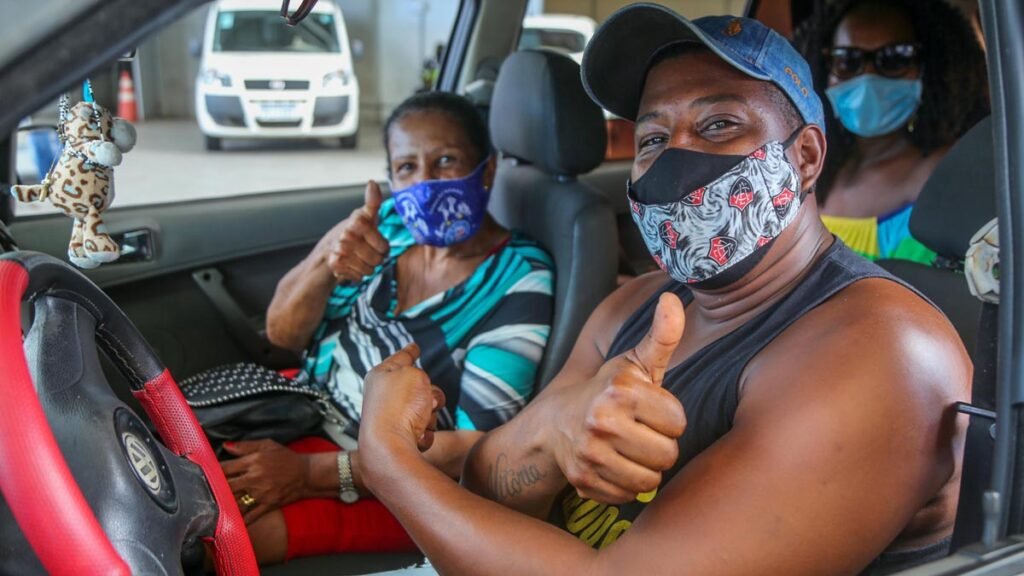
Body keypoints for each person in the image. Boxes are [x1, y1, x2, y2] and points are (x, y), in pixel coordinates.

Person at [352, 7, 971, 576]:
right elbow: (489, 483)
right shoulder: (635, 305)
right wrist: (552, 431)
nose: (678, 159)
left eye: (719, 124)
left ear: (805, 158)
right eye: (653, 139)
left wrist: (386, 462)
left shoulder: (880, 353)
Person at [216, 91, 555, 564]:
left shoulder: (517, 277)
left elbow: (477, 451)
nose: (425, 183)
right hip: (304, 409)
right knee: (179, 469)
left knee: (225, 538)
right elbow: (282, 336)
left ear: (488, 171)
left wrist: (307, 472)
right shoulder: (389, 223)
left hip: (395, 476)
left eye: (445, 161)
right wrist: (327, 257)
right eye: (407, 168)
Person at [795, 0, 988, 264]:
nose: (868, 77)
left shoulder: (950, 172)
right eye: (848, 61)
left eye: (894, 58)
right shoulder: (805, 167)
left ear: (930, 69)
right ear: (823, 69)